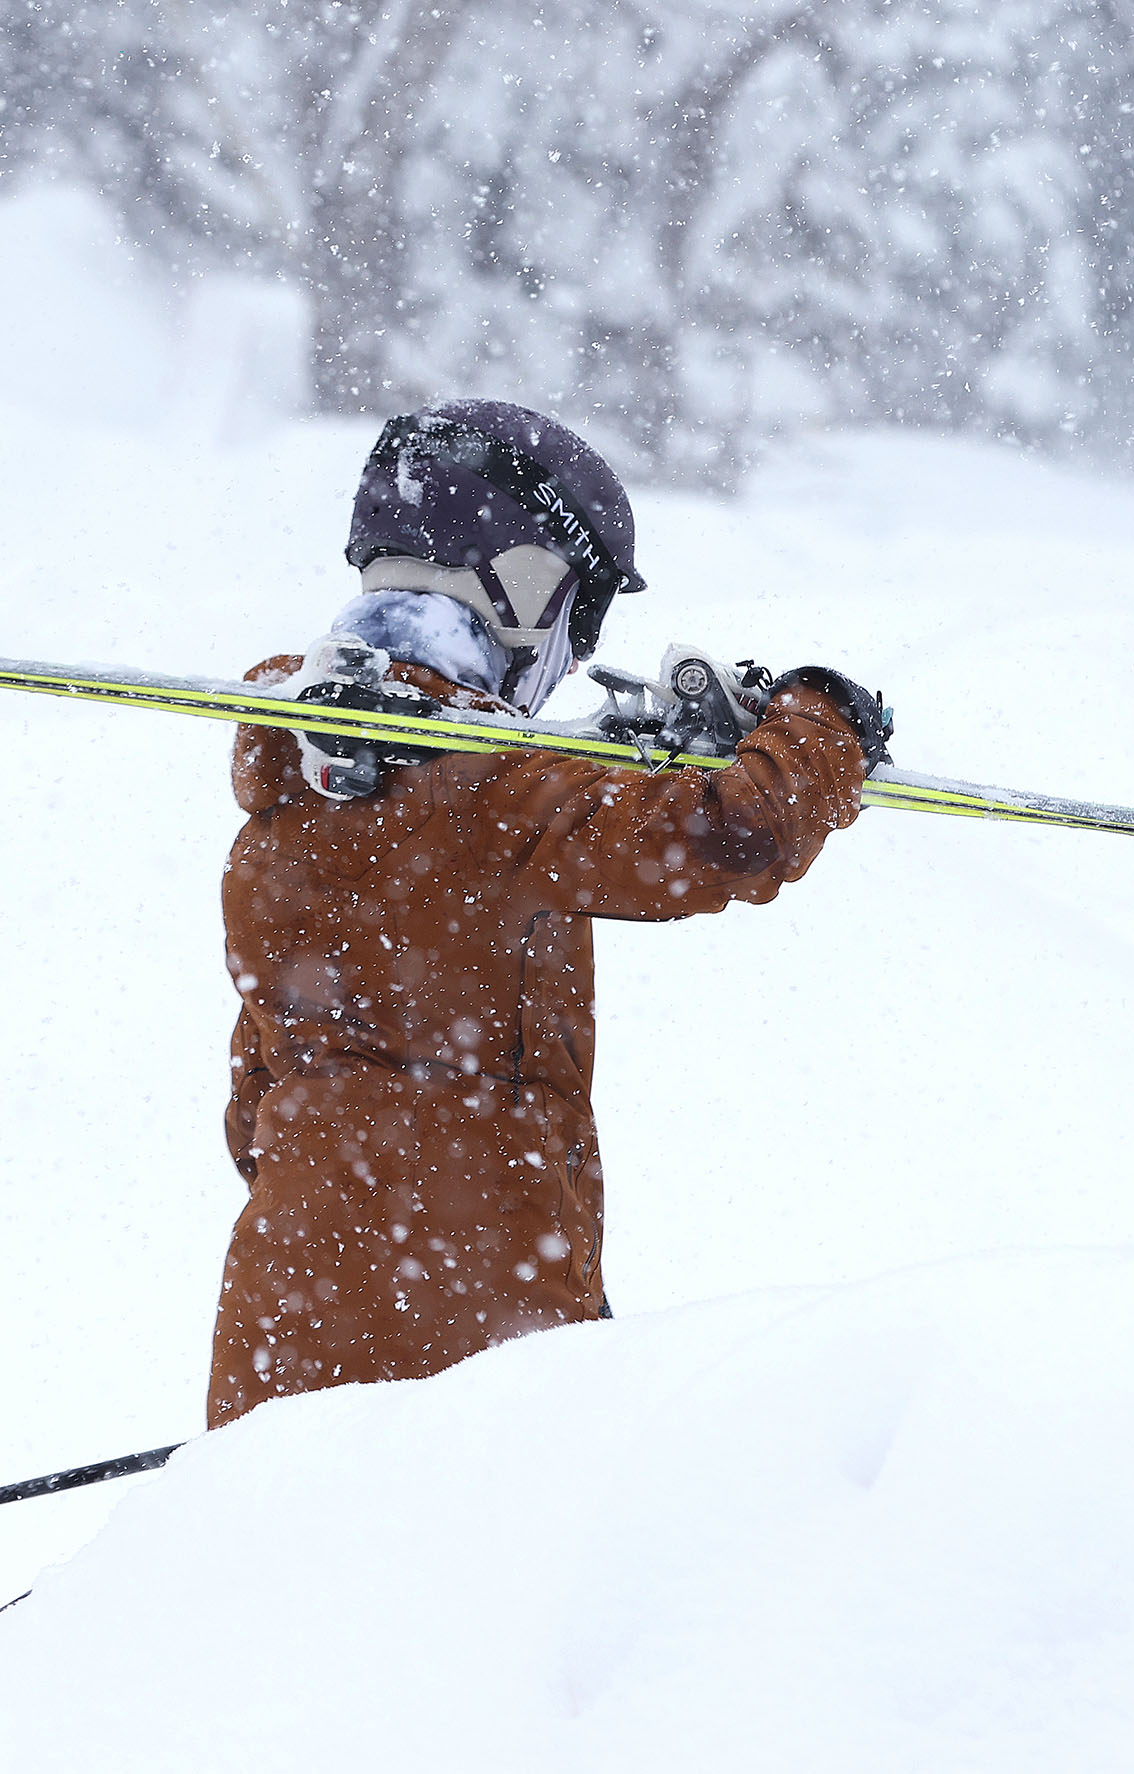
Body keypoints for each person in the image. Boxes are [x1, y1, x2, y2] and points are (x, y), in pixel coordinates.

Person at [207, 399, 892, 1427]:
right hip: (473, 1323)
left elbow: (251, 1097)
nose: (571, 661)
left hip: (284, 1303)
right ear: (520, 588)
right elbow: (733, 833)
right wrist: (822, 725)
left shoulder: (291, 789)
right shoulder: (499, 789)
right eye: (579, 620)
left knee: (277, 1581)